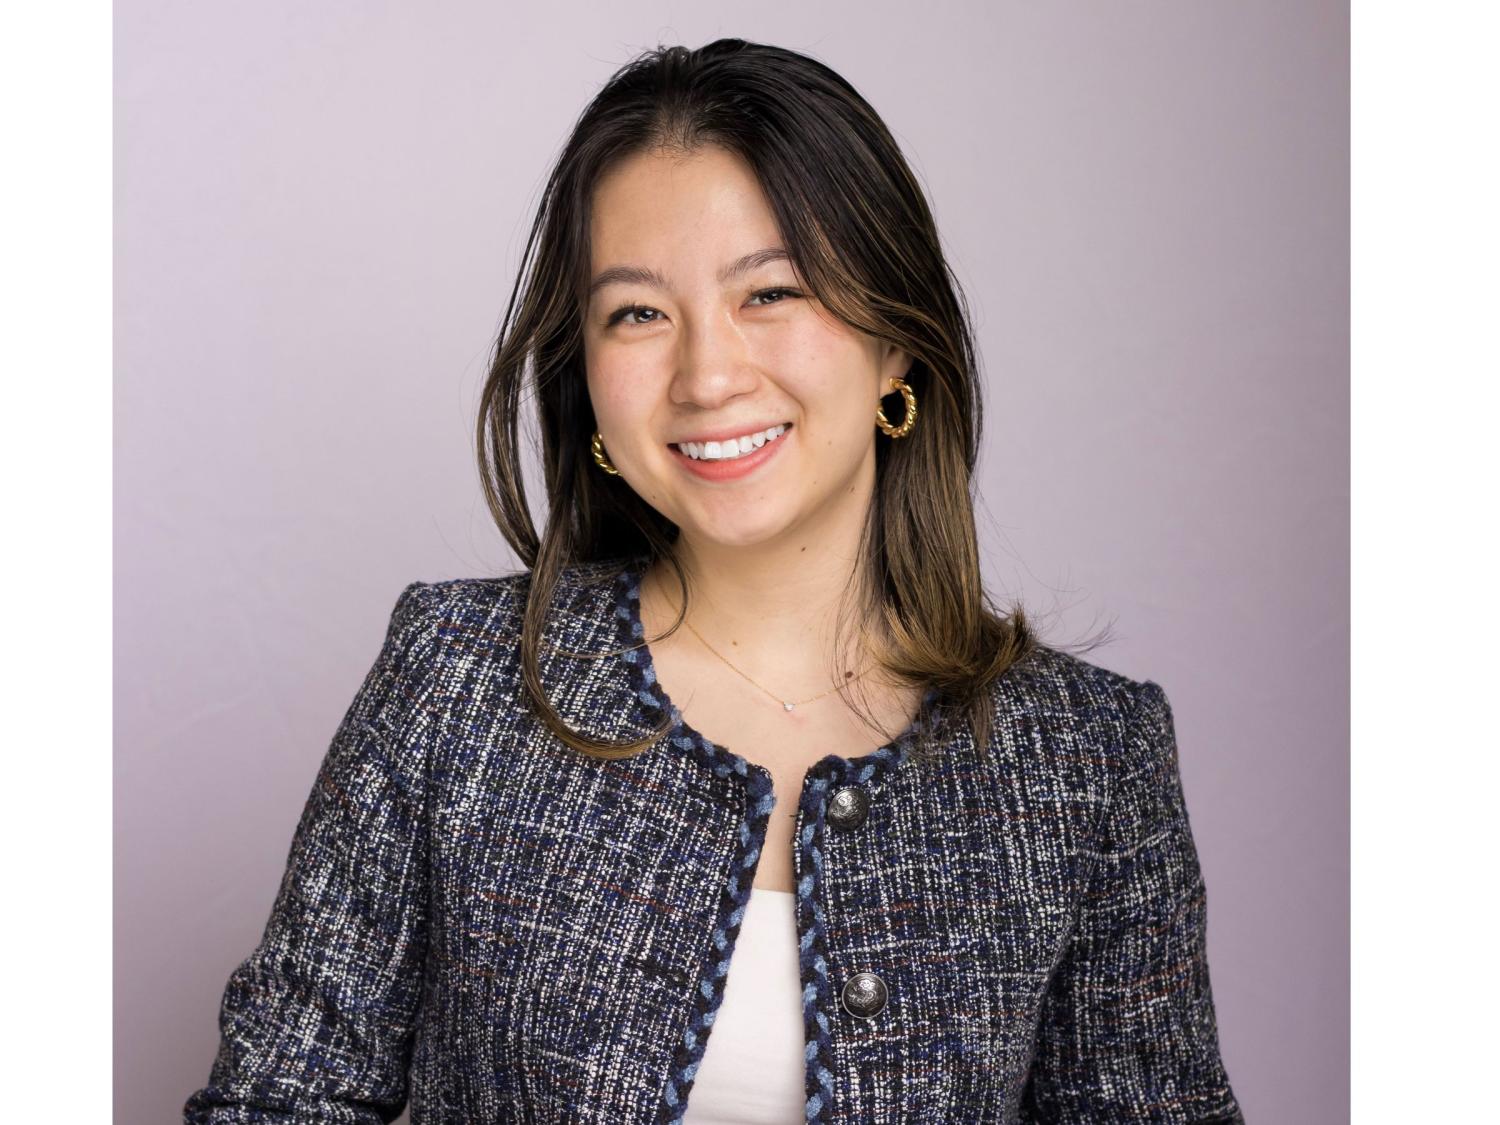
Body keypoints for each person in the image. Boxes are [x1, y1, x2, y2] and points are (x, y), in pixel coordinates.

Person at [184, 38, 1245, 1124]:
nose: (707, 375)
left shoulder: (1087, 762)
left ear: (897, 344)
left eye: (770, 291)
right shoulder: (456, 683)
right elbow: (277, 1100)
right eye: (638, 313)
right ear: (587, 376)